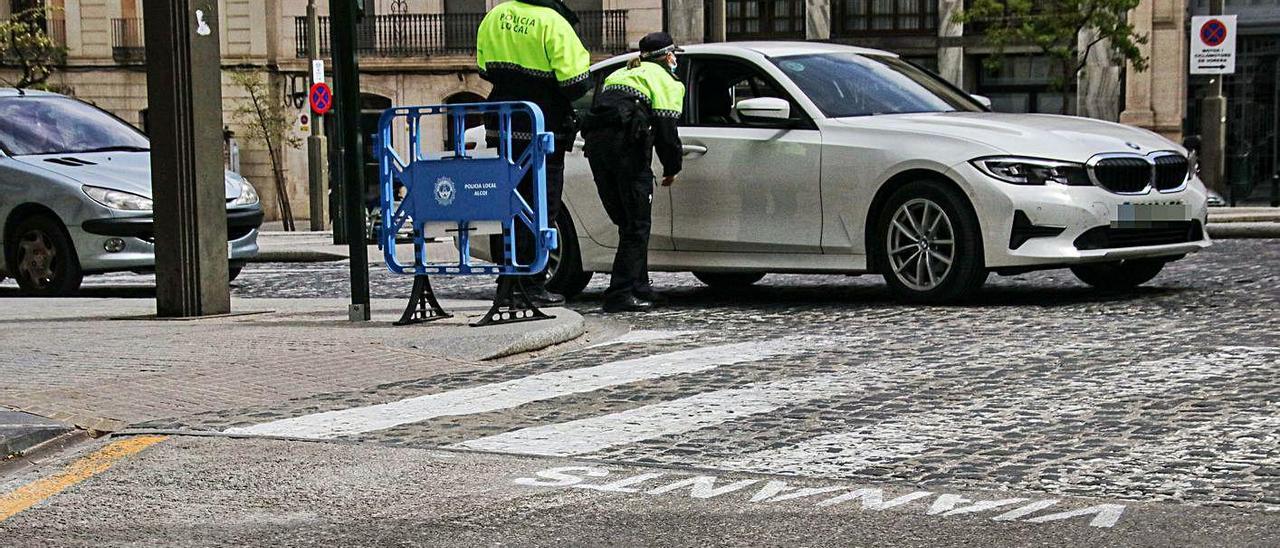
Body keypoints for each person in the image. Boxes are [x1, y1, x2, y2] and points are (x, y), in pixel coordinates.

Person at [476, 0, 591, 305]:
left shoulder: (495, 15)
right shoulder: (553, 22)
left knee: (508, 205)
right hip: (542, 128)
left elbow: (483, 69)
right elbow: (576, 82)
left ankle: (509, 279)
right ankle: (531, 283)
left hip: (502, 124)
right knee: (541, 207)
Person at [580, 32, 685, 313]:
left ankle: (639, 286)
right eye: (674, 55)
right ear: (668, 56)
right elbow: (666, 130)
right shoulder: (666, 81)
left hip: (598, 151)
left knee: (627, 224)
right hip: (627, 150)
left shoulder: (620, 74)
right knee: (637, 225)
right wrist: (673, 167)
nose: (676, 60)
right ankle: (620, 293)